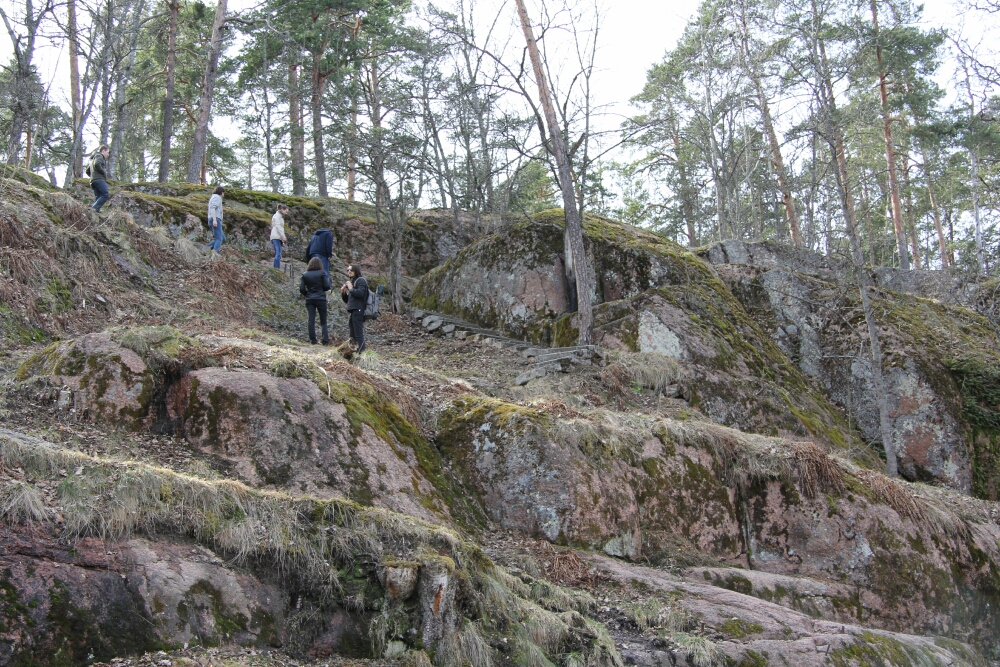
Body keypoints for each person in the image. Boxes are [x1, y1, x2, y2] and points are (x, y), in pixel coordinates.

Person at [300, 257, 332, 345]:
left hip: (310, 298)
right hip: (321, 298)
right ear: (320, 264)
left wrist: (307, 294)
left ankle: (313, 340)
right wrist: (321, 290)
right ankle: (325, 341)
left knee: (311, 319)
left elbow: (302, 289)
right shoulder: (322, 273)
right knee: (323, 320)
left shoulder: (305, 274)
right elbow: (327, 286)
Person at [340, 264, 369, 353]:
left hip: (359, 309)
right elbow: (348, 300)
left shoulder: (361, 280)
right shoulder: (353, 282)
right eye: (348, 270)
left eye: (351, 270)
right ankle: (352, 351)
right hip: (353, 310)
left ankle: (362, 352)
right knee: (352, 333)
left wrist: (351, 288)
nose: (349, 271)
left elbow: (360, 293)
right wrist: (344, 292)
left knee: (358, 333)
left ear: (356, 271)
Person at [87, 145, 111, 212]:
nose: (108, 155)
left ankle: (95, 212)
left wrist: (93, 176)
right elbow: (97, 164)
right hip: (99, 180)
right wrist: (103, 172)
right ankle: (93, 209)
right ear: (103, 151)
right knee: (105, 195)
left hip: (93, 181)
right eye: (107, 152)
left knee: (98, 197)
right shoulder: (99, 156)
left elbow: (87, 171)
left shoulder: (93, 159)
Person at [207, 186, 225, 254]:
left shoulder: (213, 197)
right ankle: (215, 253)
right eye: (223, 193)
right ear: (221, 192)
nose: (224, 194)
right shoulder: (217, 197)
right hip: (215, 219)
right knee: (219, 238)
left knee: (223, 238)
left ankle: (207, 248)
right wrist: (215, 220)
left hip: (214, 219)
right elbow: (213, 208)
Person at [270, 203, 288, 269]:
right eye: (286, 211)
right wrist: (283, 237)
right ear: (282, 209)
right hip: (276, 237)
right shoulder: (277, 216)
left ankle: (277, 268)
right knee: (278, 253)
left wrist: (282, 241)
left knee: (279, 254)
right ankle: (276, 268)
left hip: (278, 237)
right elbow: (278, 227)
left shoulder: (279, 216)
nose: (286, 213)